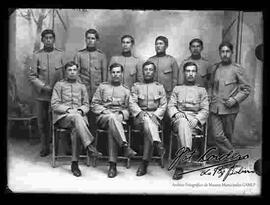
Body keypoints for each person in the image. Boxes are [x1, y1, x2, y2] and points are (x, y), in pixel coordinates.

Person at [51, 61, 102, 177]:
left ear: (77, 72)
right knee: (76, 118)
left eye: (74, 70)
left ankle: (75, 163)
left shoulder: (82, 86)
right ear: (65, 72)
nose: (72, 72)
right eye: (69, 70)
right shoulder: (59, 85)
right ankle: (89, 146)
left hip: (78, 119)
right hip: (64, 118)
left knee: (76, 129)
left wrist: (79, 111)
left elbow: (86, 105)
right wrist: (69, 110)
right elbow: (54, 104)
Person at [91, 63, 137, 178]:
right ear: (110, 73)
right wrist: (106, 111)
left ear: (122, 74)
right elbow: (94, 104)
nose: (116, 75)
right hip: (103, 117)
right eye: (113, 72)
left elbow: (129, 109)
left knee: (113, 124)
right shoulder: (102, 87)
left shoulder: (126, 90)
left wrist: (121, 114)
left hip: (119, 119)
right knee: (112, 118)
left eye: (118, 72)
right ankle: (124, 147)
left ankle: (112, 165)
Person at [208, 42, 251, 158]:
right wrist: (210, 97)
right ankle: (233, 156)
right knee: (217, 135)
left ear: (232, 53)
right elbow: (211, 85)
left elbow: (246, 89)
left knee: (228, 135)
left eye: (227, 51)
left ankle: (225, 159)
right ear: (219, 53)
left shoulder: (237, 69)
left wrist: (235, 99)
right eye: (222, 52)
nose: (225, 54)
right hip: (215, 107)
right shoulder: (215, 68)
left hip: (230, 108)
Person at [167, 62, 209, 180]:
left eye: (193, 71)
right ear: (184, 73)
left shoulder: (202, 91)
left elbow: (205, 110)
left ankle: (180, 166)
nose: (190, 74)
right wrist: (176, 113)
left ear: (196, 73)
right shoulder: (177, 89)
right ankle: (185, 155)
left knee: (184, 128)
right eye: (188, 71)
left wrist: (197, 119)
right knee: (182, 123)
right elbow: (171, 106)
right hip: (179, 120)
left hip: (194, 124)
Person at [28, 29, 65, 157]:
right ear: (42, 40)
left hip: (58, 96)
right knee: (42, 122)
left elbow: (66, 75)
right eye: (46, 38)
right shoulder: (37, 55)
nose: (48, 40)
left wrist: (60, 89)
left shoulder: (61, 55)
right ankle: (44, 147)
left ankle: (57, 146)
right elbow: (32, 76)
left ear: (54, 40)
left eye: (51, 38)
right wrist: (44, 86)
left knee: (57, 120)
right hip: (41, 95)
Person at [129, 61, 167, 176]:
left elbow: (163, 105)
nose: (148, 72)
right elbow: (132, 103)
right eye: (146, 69)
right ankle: (157, 143)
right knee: (146, 121)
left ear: (154, 72)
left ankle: (144, 163)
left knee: (148, 126)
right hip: (139, 118)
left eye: (151, 69)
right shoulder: (136, 86)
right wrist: (140, 113)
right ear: (143, 72)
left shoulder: (159, 87)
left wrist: (155, 115)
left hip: (155, 117)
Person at [74, 28, 108, 100]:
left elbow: (104, 77)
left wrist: (103, 91)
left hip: (97, 91)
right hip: (83, 90)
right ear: (85, 40)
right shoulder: (79, 55)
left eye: (93, 38)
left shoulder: (102, 56)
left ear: (97, 40)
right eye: (88, 38)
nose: (90, 40)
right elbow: (76, 74)